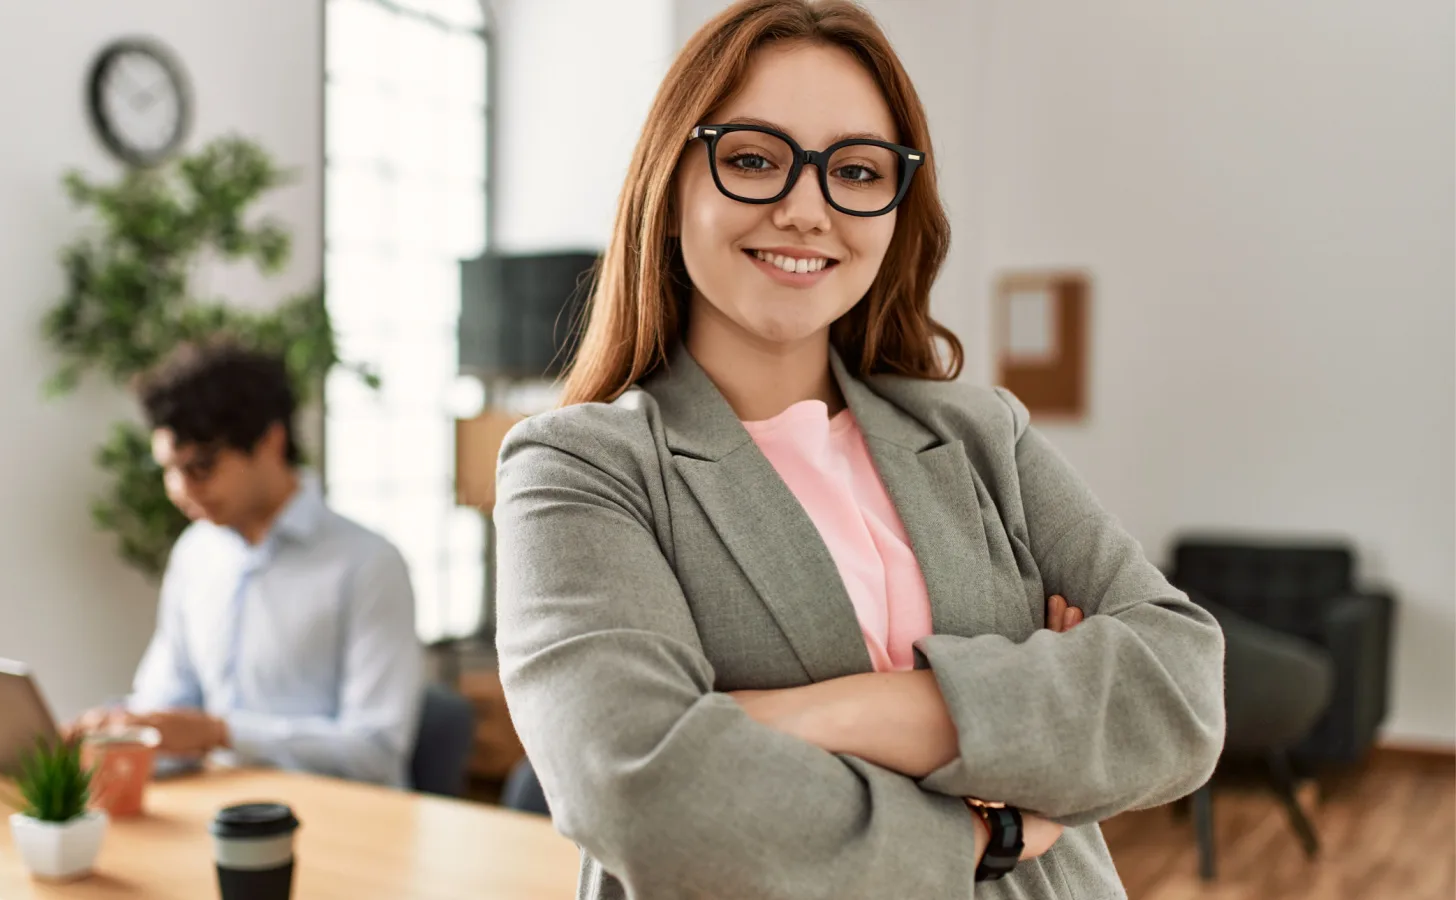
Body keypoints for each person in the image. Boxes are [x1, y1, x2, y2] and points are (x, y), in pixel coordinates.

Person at [492, 1, 1226, 897]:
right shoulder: (579, 468)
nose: (807, 210)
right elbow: (643, 790)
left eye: (857, 170)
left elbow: (1181, 692)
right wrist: (993, 812)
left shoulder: (980, 433)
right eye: (754, 159)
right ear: (670, 189)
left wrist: (826, 713)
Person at [74, 339, 424, 788]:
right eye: (168, 469)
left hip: (343, 824)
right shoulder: (195, 553)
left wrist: (221, 733)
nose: (179, 490)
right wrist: (122, 728)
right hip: (216, 810)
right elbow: (166, 698)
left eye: (200, 467)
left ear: (270, 442)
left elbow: (377, 752)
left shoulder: (368, 564)